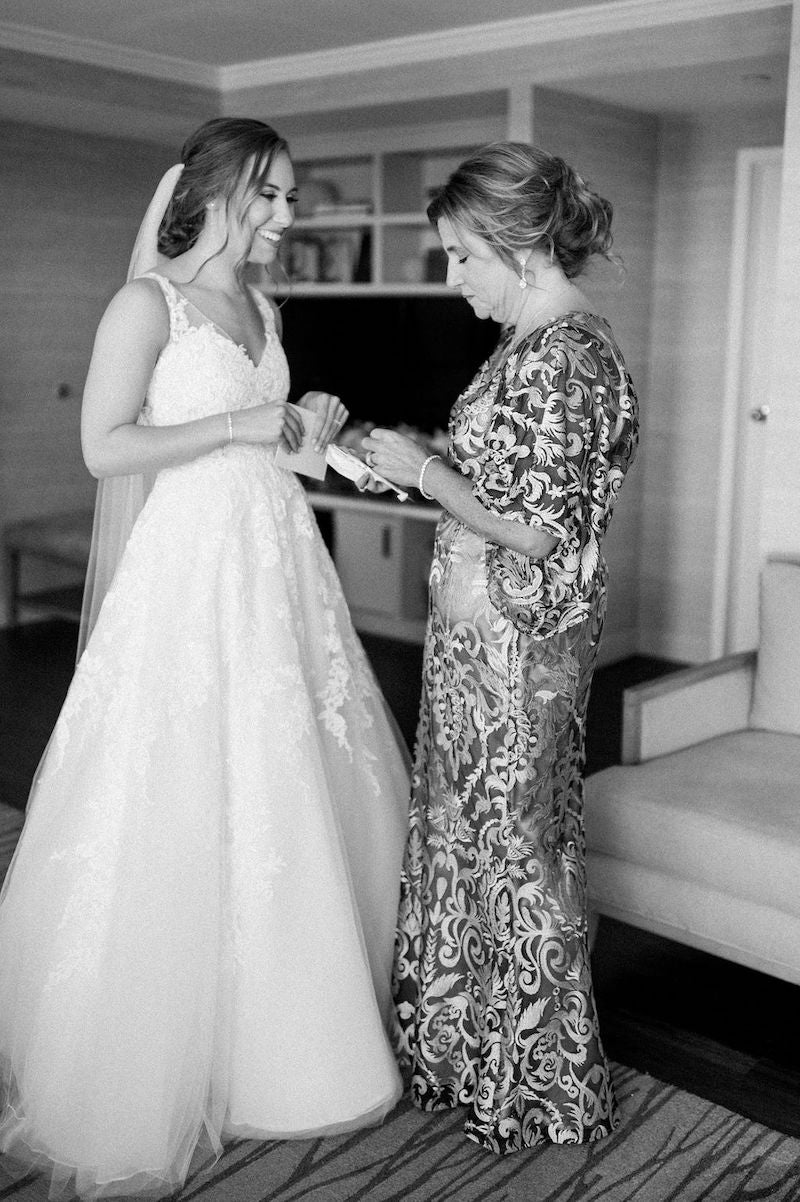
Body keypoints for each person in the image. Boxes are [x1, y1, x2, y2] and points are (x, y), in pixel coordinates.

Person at [0, 117, 409, 1197]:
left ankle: (289, 1036)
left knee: (290, 776)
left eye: (289, 197)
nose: (286, 216)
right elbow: (104, 445)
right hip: (188, 568)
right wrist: (245, 427)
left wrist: (315, 427)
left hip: (276, 558)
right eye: (270, 196)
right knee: (175, 779)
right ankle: (150, 1043)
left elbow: (274, 432)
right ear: (218, 190)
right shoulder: (148, 303)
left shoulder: (265, 307)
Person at [362, 142, 639, 1155]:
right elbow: (511, 486)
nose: (451, 280)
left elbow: (537, 529)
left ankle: (537, 1082)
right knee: (471, 840)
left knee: (517, 853)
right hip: (485, 653)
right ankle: (465, 1050)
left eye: (457, 256)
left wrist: (425, 477)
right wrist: (424, 460)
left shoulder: (565, 354)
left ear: (515, 244)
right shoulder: (533, 343)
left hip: (518, 661)